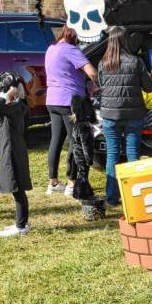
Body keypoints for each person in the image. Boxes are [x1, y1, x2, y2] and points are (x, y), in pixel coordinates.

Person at [98, 26, 152, 206]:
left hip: (110, 115)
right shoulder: (136, 62)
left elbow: (101, 85)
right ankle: (135, 198)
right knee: (132, 155)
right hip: (133, 115)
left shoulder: (103, 63)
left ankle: (112, 198)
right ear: (125, 41)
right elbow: (149, 88)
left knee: (112, 156)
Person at [44, 25, 98, 196]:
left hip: (52, 99)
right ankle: (72, 183)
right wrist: (96, 83)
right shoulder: (70, 49)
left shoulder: (51, 49)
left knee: (56, 141)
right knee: (76, 143)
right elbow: (92, 72)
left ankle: (53, 182)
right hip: (69, 101)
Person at [0, 73, 33, 237]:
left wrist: (8, 93)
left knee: (18, 188)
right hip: (11, 150)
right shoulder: (13, 107)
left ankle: (21, 226)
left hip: (14, 153)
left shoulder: (16, 107)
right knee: (17, 189)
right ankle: (20, 222)